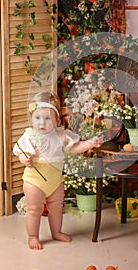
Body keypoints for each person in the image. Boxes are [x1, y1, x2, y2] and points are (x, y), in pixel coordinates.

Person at [13, 91, 103, 250]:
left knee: (56, 208)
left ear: (56, 120)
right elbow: (21, 151)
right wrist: (24, 159)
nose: (42, 123)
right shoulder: (30, 136)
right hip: (34, 181)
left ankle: (56, 232)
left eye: (47, 118)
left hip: (55, 182)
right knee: (34, 210)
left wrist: (89, 144)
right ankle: (33, 236)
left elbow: (75, 147)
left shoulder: (61, 135)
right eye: (37, 118)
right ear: (32, 118)